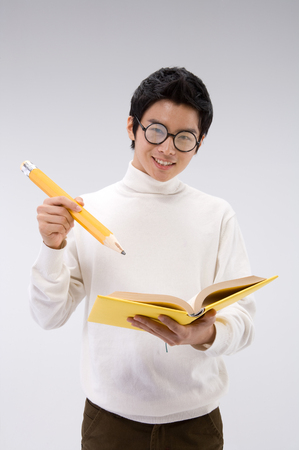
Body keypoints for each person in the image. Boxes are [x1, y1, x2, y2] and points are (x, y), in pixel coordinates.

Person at [29, 67, 255, 449]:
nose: (167, 148)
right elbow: (47, 316)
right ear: (132, 126)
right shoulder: (87, 212)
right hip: (109, 424)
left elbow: (244, 321)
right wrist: (52, 248)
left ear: (199, 142)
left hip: (196, 425)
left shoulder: (217, 214)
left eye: (184, 138)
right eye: (156, 131)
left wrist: (202, 333)